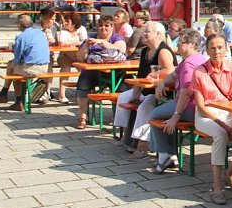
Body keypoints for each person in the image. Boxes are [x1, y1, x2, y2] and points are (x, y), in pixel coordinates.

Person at [113, 22, 177, 159]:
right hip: (147, 89)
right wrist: (135, 94)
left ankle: (143, 146)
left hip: (162, 92)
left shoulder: (163, 51)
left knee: (144, 108)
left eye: (148, 31)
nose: (144, 34)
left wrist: (156, 74)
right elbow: (141, 75)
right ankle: (126, 137)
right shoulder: (145, 51)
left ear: (158, 35)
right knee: (123, 98)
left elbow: (171, 70)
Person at [192, 33, 232, 204]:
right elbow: (201, 106)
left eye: (220, 47)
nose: (216, 51)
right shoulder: (199, 72)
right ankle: (217, 186)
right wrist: (223, 124)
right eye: (212, 48)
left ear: (226, 48)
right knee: (221, 134)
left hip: (228, 113)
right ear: (206, 50)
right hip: (207, 116)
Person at [149, 28, 208, 174]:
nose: (178, 46)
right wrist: (163, 83)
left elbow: (186, 93)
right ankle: (171, 154)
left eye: (181, 43)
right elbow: (174, 74)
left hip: (191, 107)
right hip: (201, 106)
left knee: (155, 114)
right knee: (164, 114)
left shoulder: (189, 65)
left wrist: (176, 115)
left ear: (192, 45)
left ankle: (164, 156)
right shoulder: (197, 58)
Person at [74, 17, 127, 129]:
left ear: (112, 27)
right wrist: (85, 47)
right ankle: (83, 116)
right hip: (94, 73)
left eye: (107, 26)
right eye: (101, 26)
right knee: (83, 81)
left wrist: (103, 42)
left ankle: (119, 118)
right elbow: (79, 58)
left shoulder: (116, 38)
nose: (103, 28)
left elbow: (121, 49)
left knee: (123, 86)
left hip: (115, 73)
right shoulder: (91, 38)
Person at [5, 14, 51, 112]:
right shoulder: (40, 33)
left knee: (12, 68)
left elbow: (17, 58)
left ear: (19, 24)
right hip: (45, 66)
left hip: (31, 68)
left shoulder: (21, 37)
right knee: (15, 66)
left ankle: (16, 100)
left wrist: (14, 50)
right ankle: (4, 94)